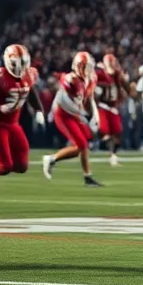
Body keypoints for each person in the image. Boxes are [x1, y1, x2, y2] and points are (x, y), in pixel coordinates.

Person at [0, 44, 45, 192]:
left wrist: (39, 111)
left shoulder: (29, 74)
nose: (20, 68)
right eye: (15, 64)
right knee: (4, 167)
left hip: (13, 124)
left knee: (22, 166)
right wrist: (0, 108)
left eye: (23, 64)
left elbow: (32, 94)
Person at [42, 51, 102, 186]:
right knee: (80, 145)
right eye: (85, 66)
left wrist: (94, 116)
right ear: (78, 66)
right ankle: (51, 159)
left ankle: (87, 176)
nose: (88, 69)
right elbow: (62, 101)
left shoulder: (91, 78)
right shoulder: (71, 79)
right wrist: (82, 116)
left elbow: (89, 98)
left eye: (88, 66)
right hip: (63, 113)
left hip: (75, 113)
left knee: (84, 143)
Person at [94, 53, 129, 167]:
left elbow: (124, 88)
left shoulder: (117, 75)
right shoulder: (99, 74)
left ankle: (113, 156)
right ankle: (90, 140)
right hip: (102, 106)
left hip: (113, 107)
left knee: (117, 133)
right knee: (105, 131)